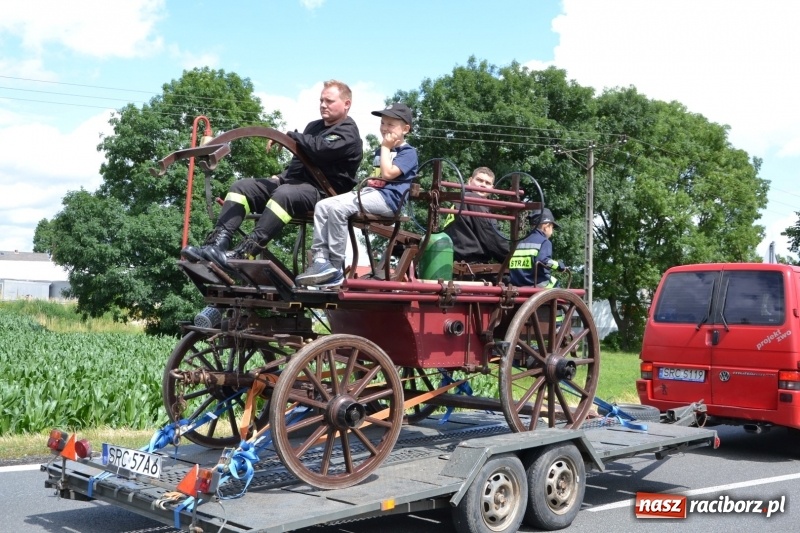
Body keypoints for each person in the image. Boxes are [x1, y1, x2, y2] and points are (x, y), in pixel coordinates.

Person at [182, 80, 363, 270]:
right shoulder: (313, 127)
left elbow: (321, 149)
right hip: (293, 184)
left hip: (324, 193)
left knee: (284, 194)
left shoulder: (348, 132)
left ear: (346, 104)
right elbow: (300, 161)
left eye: (329, 101)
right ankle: (216, 245)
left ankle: (245, 252)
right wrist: (281, 177)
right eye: (321, 100)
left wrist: (290, 136)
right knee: (242, 187)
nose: (323, 105)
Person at [294, 103, 419, 288]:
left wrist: (385, 147)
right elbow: (377, 178)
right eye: (383, 123)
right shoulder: (382, 150)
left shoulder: (408, 153)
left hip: (389, 201)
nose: (385, 128)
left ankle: (335, 268)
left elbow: (387, 174)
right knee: (322, 206)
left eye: (391, 124)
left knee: (339, 209)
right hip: (371, 193)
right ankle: (321, 260)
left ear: (405, 129)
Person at [443, 167, 509, 264]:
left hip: (453, 262)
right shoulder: (472, 199)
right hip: (472, 267)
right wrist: (510, 258)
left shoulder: (458, 201)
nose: (483, 185)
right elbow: (491, 235)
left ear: (492, 188)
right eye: (479, 180)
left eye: (487, 183)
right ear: (470, 181)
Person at [509, 208, 566, 288]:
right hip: (535, 284)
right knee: (555, 283)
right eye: (552, 228)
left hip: (517, 284)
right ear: (546, 226)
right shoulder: (544, 242)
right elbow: (545, 261)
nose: (552, 232)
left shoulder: (520, 242)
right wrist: (559, 266)